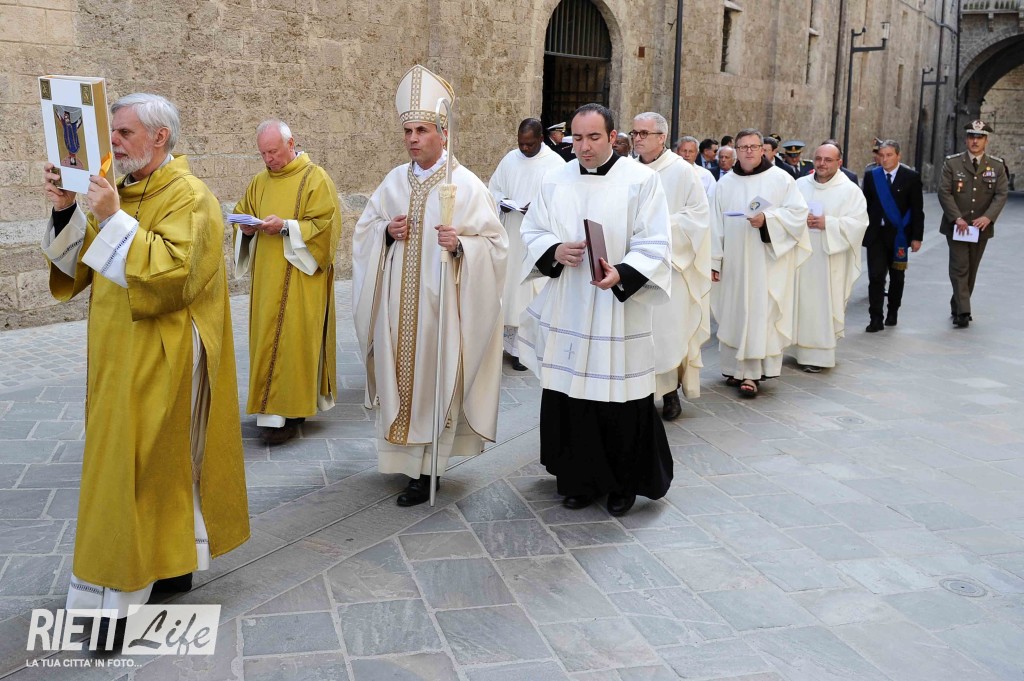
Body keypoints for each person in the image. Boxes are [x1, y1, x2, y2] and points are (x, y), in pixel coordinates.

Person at [40, 93, 249, 641]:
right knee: (140, 470)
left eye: (124, 133)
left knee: (139, 473)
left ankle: (117, 602)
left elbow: (173, 276)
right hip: (116, 356)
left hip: (164, 354)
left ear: (159, 137)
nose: (113, 142)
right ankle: (172, 563)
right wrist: (66, 209)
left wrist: (111, 217)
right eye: (112, 132)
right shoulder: (125, 189)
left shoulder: (191, 196)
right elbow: (82, 268)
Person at [353, 65, 508, 507]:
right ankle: (402, 461)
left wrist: (461, 246)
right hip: (396, 311)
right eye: (408, 131)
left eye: (421, 130)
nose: (413, 139)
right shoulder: (392, 182)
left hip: (441, 312)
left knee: (431, 383)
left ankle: (425, 470)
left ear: (443, 133)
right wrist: (386, 233)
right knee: (399, 382)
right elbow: (364, 233)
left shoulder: (467, 187)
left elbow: (496, 247)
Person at [517, 103, 673, 517]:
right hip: (570, 302)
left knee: (619, 396)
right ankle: (578, 479)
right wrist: (554, 249)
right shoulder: (555, 178)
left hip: (616, 309)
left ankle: (623, 484)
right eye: (577, 138)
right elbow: (533, 229)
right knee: (571, 394)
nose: (584, 147)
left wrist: (623, 272)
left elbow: (656, 241)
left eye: (593, 137)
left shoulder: (641, 181)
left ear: (612, 136)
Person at [233, 120, 342, 443]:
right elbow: (242, 213)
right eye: (263, 154)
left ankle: (292, 414)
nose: (269, 159)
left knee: (294, 342)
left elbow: (326, 228)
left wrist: (286, 227)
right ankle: (269, 413)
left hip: (301, 280)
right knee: (266, 341)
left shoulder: (315, 178)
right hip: (267, 279)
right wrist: (245, 229)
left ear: (291, 143)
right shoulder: (259, 182)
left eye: (274, 152)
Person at [710, 128, 810, 397]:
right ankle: (734, 369)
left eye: (754, 146)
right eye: (743, 147)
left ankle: (752, 374)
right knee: (734, 313)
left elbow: (798, 214)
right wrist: (714, 262)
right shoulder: (725, 184)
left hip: (767, 264)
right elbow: (713, 225)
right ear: (736, 150)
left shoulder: (780, 179)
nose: (749, 152)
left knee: (759, 314)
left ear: (763, 149)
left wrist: (768, 220)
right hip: (734, 264)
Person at [631, 113, 710, 421]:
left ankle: (669, 393)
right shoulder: (628, 169)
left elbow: (698, 217)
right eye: (635, 132)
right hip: (636, 266)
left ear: (661, 137)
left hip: (672, 265)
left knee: (667, 332)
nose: (637, 138)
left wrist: (659, 227)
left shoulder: (682, 171)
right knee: (640, 331)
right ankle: (640, 393)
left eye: (644, 133)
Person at [488, 118, 565, 370]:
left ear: (541, 139)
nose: (524, 148)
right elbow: (494, 189)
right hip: (511, 232)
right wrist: (503, 201)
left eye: (529, 144)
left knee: (530, 292)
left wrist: (539, 208)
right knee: (509, 291)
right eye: (521, 143)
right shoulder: (510, 159)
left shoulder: (556, 165)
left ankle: (524, 350)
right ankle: (507, 344)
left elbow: (564, 201)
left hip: (538, 239)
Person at [792, 143, 869, 372]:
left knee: (822, 306)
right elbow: (787, 213)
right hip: (801, 257)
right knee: (799, 303)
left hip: (830, 260)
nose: (822, 164)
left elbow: (859, 223)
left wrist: (829, 223)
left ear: (839, 163)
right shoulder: (799, 185)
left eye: (828, 160)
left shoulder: (850, 191)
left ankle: (819, 355)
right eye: (818, 159)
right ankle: (796, 349)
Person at [937, 120, 1009, 329]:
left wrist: (988, 217)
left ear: (986, 141)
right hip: (957, 227)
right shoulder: (952, 163)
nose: (975, 141)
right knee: (959, 267)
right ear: (966, 140)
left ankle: (958, 302)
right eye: (971, 137)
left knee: (972, 268)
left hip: (980, 228)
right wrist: (956, 218)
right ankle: (963, 311)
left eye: (979, 137)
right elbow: (944, 192)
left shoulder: (996, 166)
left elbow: (1001, 194)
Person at [861, 139, 924, 331]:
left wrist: (917, 237)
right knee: (876, 276)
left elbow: (917, 209)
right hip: (876, 235)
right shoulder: (872, 176)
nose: (885, 159)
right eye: (881, 155)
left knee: (897, 277)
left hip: (899, 236)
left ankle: (893, 311)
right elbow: (865, 205)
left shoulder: (911, 177)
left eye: (889, 155)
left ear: (898, 155)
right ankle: (875, 318)